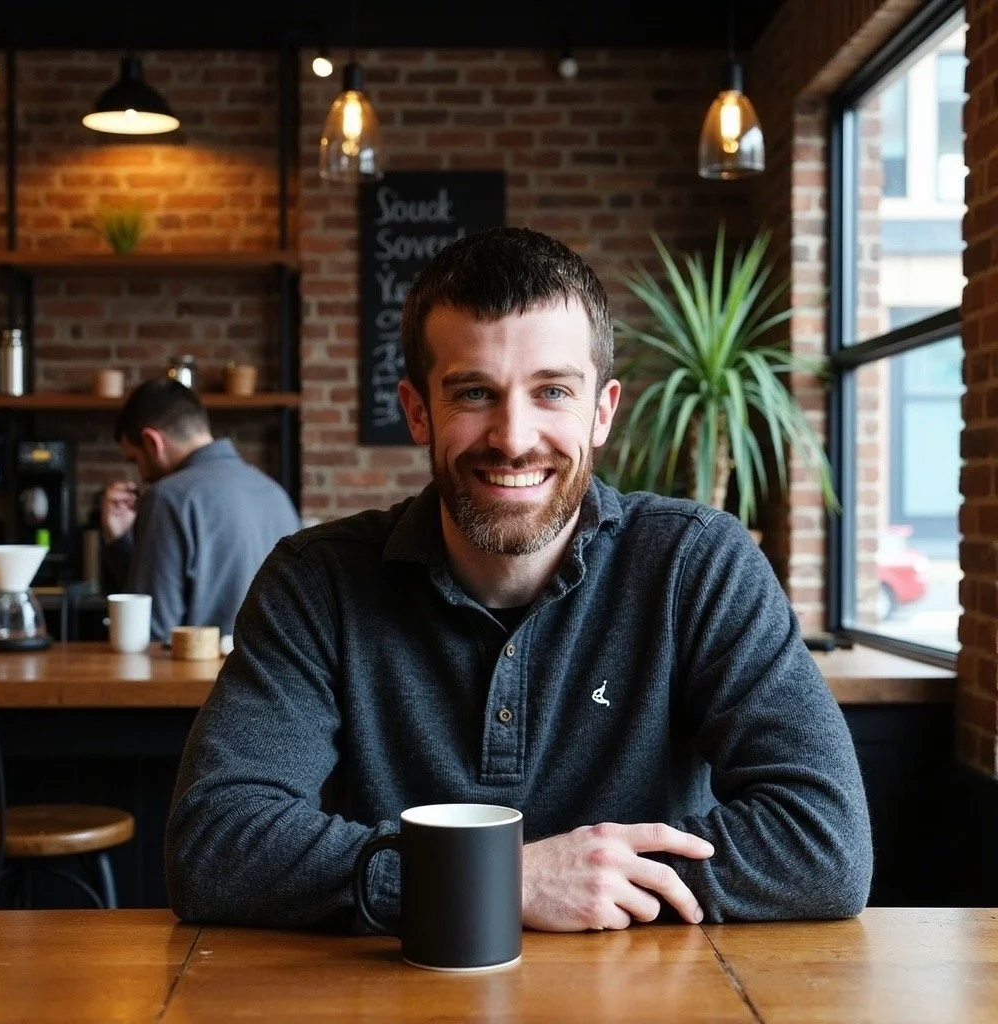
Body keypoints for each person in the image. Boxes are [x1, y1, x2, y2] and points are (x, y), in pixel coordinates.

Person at [166, 227, 873, 932]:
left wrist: (585, 883)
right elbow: (215, 843)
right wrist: (509, 880)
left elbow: (826, 842)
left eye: (552, 391)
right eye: (474, 392)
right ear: (418, 411)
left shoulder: (697, 564)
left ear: (602, 411)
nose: (513, 435)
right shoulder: (316, 581)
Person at [101, 377, 301, 642]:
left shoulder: (168, 498)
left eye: (135, 460)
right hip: (280, 680)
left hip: (199, 682)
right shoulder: (274, 493)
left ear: (152, 442)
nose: (141, 474)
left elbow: (150, 633)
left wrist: (117, 545)